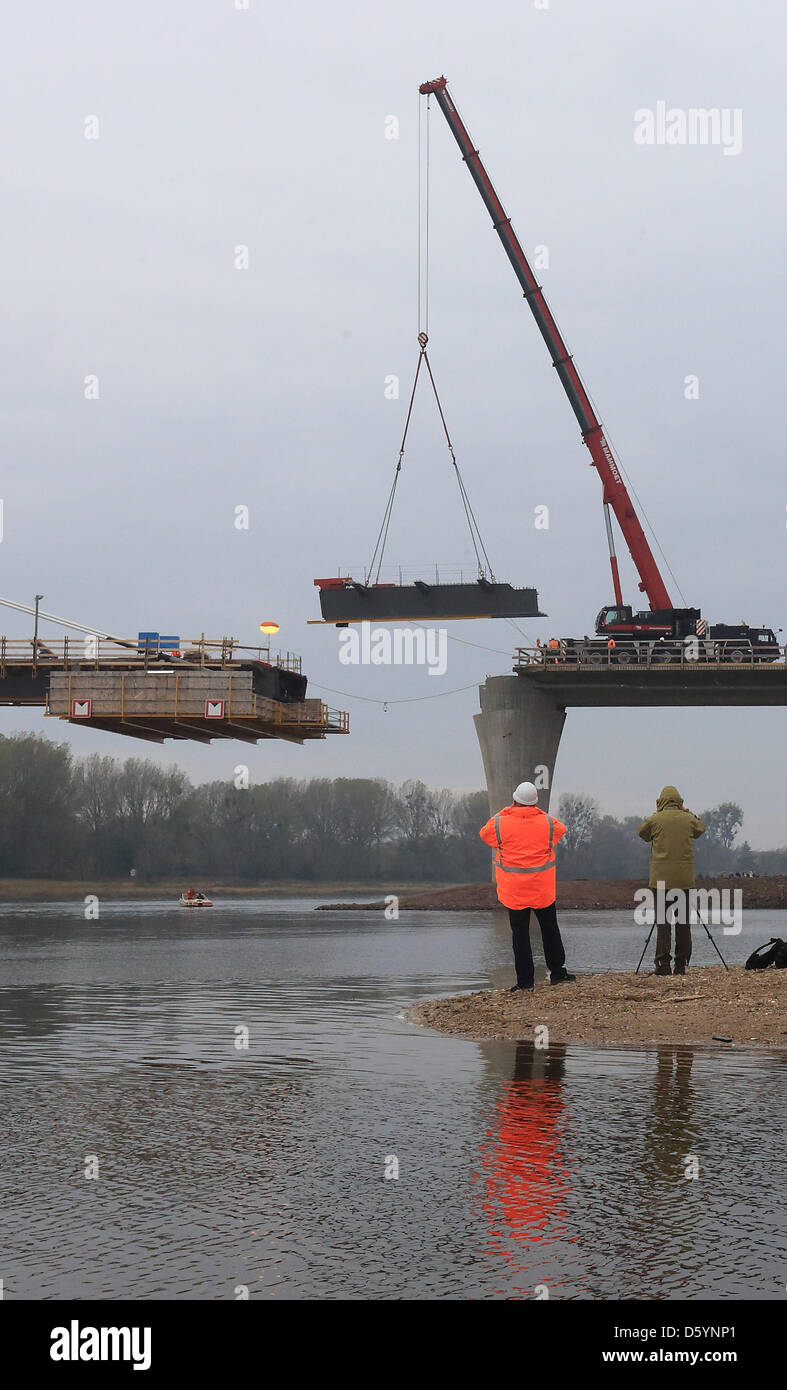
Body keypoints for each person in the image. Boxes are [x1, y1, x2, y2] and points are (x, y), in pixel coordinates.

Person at [480, 781, 576, 992]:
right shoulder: (548, 823)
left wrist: (507, 811)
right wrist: (537, 813)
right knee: (550, 929)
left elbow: (484, 834)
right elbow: (561, 830)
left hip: (515, 891)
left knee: (520, 934)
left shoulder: (500, 823)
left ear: (514, 800)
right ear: (535, 803)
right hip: (542, 889)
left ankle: (525, 982)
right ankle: (558, 973)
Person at [638, 786, 705, 975]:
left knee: (663, 922)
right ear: (679, 801)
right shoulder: (688, 819)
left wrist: (657, 815)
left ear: (661, 801)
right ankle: (681, 964)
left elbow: (642, 833)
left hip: (660, 881)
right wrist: (687, 812)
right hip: (684, 881)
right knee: (683, 923)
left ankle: (663, 964)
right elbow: (701, 828)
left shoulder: (654, 819)